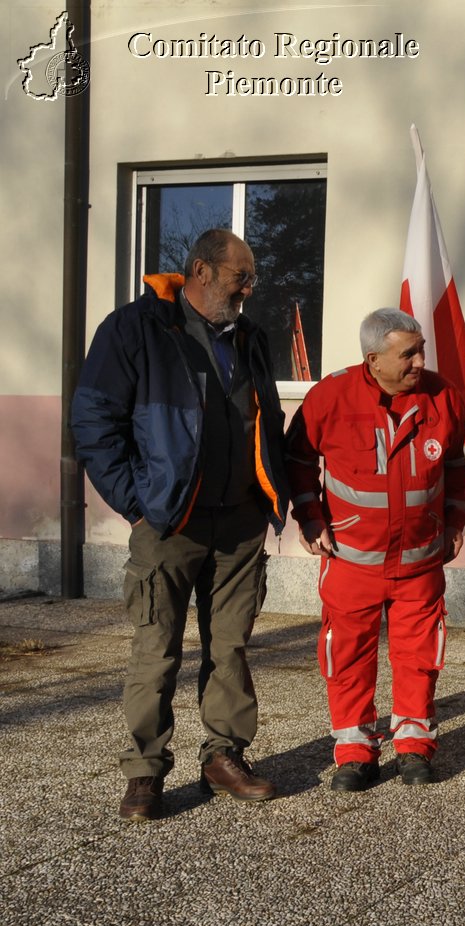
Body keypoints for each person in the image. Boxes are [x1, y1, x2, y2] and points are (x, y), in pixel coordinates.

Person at [71, 228, 290, 821]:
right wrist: (136, 502)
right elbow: (94, 421)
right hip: (170, 523)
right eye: (240, 276)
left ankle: (224, 756)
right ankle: (144, 772)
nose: (250, 287)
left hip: (240, 521)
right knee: (156, 649)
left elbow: (264, 416)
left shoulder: (250, 335)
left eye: (251, 276)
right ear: (200, 271)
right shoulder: (135, 329)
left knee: (231, 648)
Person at [284, 308, 465, 791]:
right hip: (351, 562)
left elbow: (457, 463)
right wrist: (310, 518)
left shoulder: (444, 395)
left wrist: (453, 521)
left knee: (420, 658)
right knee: (346, 659)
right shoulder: (331, 396)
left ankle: (414, 746)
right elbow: (297, 459)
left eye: (421, 349)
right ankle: (355, 752)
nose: (419, 361)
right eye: (407, 353)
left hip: (420, 563)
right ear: (373, 360)